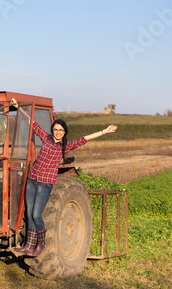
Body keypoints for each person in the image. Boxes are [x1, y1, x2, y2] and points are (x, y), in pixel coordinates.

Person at [14, 105, 118, 257]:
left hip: (45, 184)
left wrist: (104, 131)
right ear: (52, 130)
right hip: (32, 180)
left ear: (64, 132)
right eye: (55, 129)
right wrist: (19, 108)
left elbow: (84, 139)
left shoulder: (65, 146)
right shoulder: (46, 138)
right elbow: (33, 124)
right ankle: (28, 245)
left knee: (36, 214)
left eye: (61, 130)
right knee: (29, 213)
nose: (57, 132)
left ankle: (41, 243)